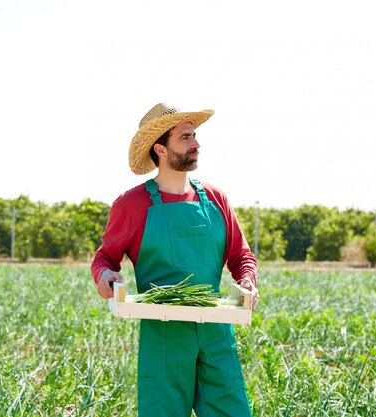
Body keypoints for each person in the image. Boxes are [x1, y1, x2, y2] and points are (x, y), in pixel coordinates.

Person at [91, 103, 259, 417]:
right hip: (165, 336)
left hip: (215, 330)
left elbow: (241, 256)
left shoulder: (216, 199)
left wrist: (247, 279)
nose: (196, 143)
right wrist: (106, 278)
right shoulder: (131, 205)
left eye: (194, 135)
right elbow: (104, 260)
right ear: (161, 149)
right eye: (185, 137)